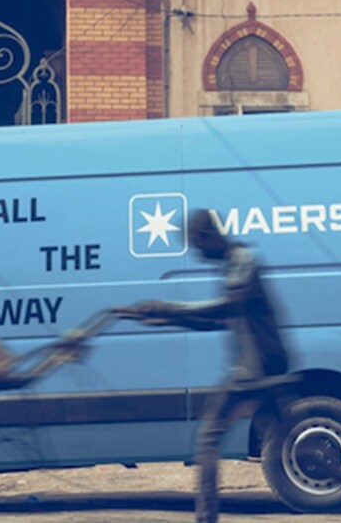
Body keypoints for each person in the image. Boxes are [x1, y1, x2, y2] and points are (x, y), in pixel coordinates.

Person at [118, 209, 290, 523]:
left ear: (210, 236)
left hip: (255, 370)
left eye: (199, 246)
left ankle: (206, 518)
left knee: (208, 437)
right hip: (262, 367)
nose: (199, 254)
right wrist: (167, 319)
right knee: (283, 442)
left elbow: (228, 306)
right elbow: (218, 321)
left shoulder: (243, 260)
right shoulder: (232, 265)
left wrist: (168, 306)